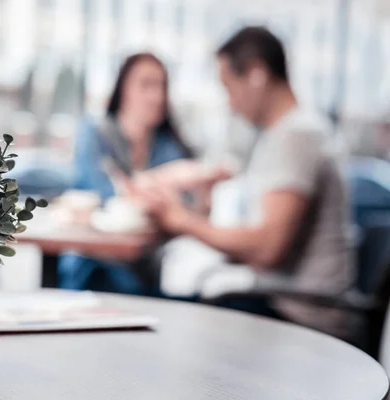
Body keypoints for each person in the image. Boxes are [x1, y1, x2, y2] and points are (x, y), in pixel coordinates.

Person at [133, 27, 356, 339]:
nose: (231, 103)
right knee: (164, 304)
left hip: (301, 315)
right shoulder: (283, 134)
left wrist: (184, 220)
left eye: (229, 86)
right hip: (281, 298)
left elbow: (266, 249)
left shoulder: (297, 136)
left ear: (256, 74)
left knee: (159, 317)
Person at [58, 53, 226, 295]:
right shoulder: (96, 134)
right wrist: (166, 181)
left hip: (152, 266)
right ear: (123, 88)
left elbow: (186, 209)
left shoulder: (171, 146)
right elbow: (99, 193)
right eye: (146, 85)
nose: (157, 96)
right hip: (96, 261)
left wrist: (143, 192)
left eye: (162, 86)